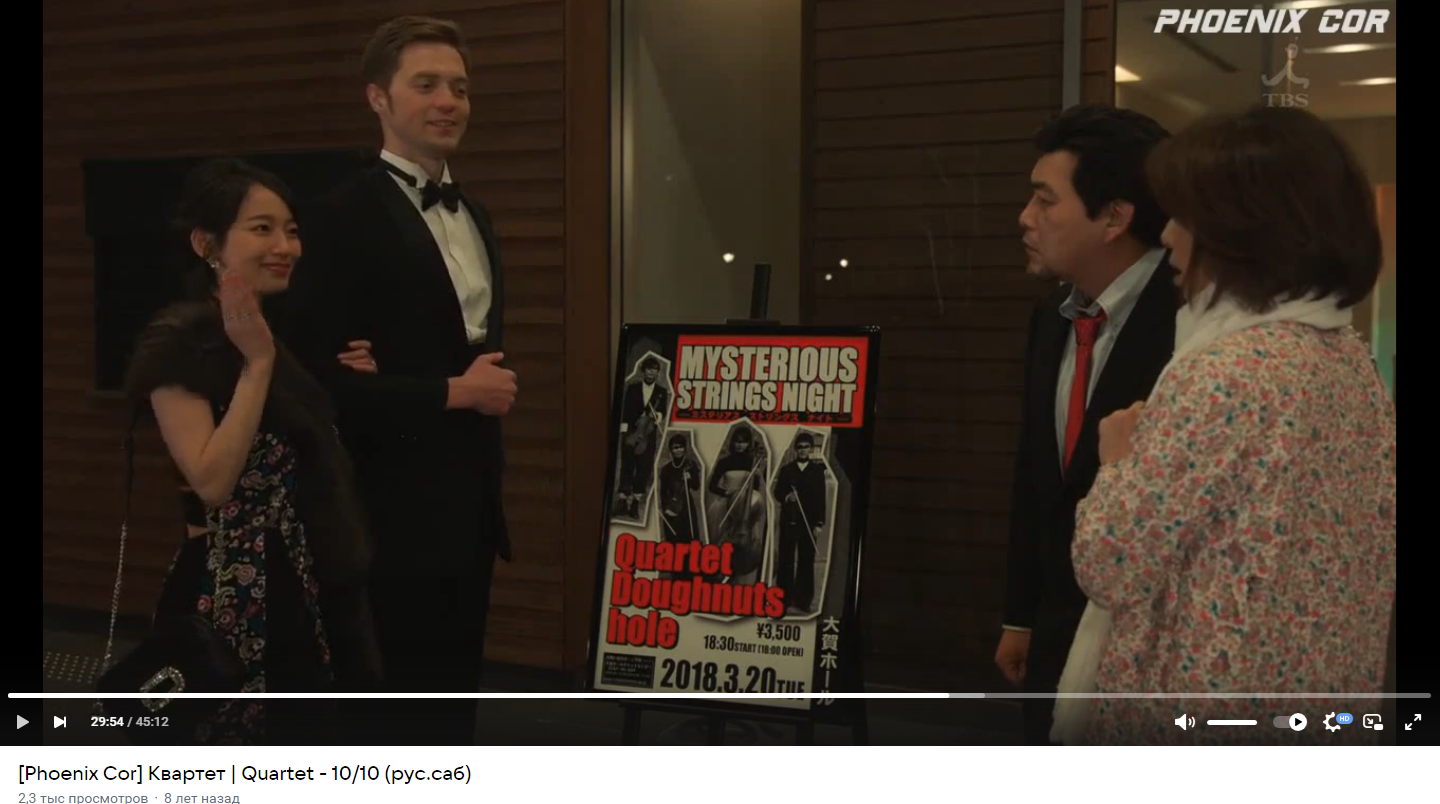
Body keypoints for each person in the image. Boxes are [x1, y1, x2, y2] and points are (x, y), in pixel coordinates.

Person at [1066, 106, 1396, 745]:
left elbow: (1109, 564)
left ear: (1242, 230)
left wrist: (1119, 458)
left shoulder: (1222, 372)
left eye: (1184, 217)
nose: (1167, 237)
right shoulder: (1350, 361)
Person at [284, 15, 517, 746]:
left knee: (453, 705)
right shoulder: (338, 216)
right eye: (426, 85)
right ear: (378, 98)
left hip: (470, 498)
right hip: (384, 503)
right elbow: (314, 380)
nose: (448, 101)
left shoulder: (476, 214)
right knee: (385, 713)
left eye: (460, 87)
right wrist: (452, 391)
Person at [125, 157, 381, 745]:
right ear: (206, 244)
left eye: (291, 230)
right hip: (228, 589)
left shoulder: (270, 335)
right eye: (262, 229)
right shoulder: (181, 343)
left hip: (297, 577)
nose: (285, 246)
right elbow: (211, 481)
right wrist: (258, 364)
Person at [998, 103, 1175, 745]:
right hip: (1052, 630)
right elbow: (1036, 473)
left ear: (1114, 217)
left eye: (1046, 200)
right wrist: (1020, 615)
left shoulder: (1189, 319)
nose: (1026, 217)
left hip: (1145, 645)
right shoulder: (1053, 318)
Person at [772, 433, 828, 615]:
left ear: (811, 449)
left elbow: (821, 498)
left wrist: (819, 523)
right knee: (786, 560)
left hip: (809, 523)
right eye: (800, 447)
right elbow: (778, 492)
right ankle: (784, 598)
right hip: (789, 521)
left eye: (806, 447)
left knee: (806, 560)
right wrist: (787, 496)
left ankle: (803, 601)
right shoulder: (787, 470)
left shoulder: (817, 471)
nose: (803, 450)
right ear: (796, 449)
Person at [616, 357, 669, 519]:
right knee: (627, 466)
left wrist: (657, 415)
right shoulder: (633, 388)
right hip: (632, 433)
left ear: (658, 373)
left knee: (643, 469)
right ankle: (622, 502)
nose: (652, 372)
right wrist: (624, 434)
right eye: (649, 369)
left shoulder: (661, 391)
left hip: (648, 435)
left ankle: (635, 503)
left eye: (655, 369)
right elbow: (625, 410)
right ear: (643, 371)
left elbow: (663, 411)